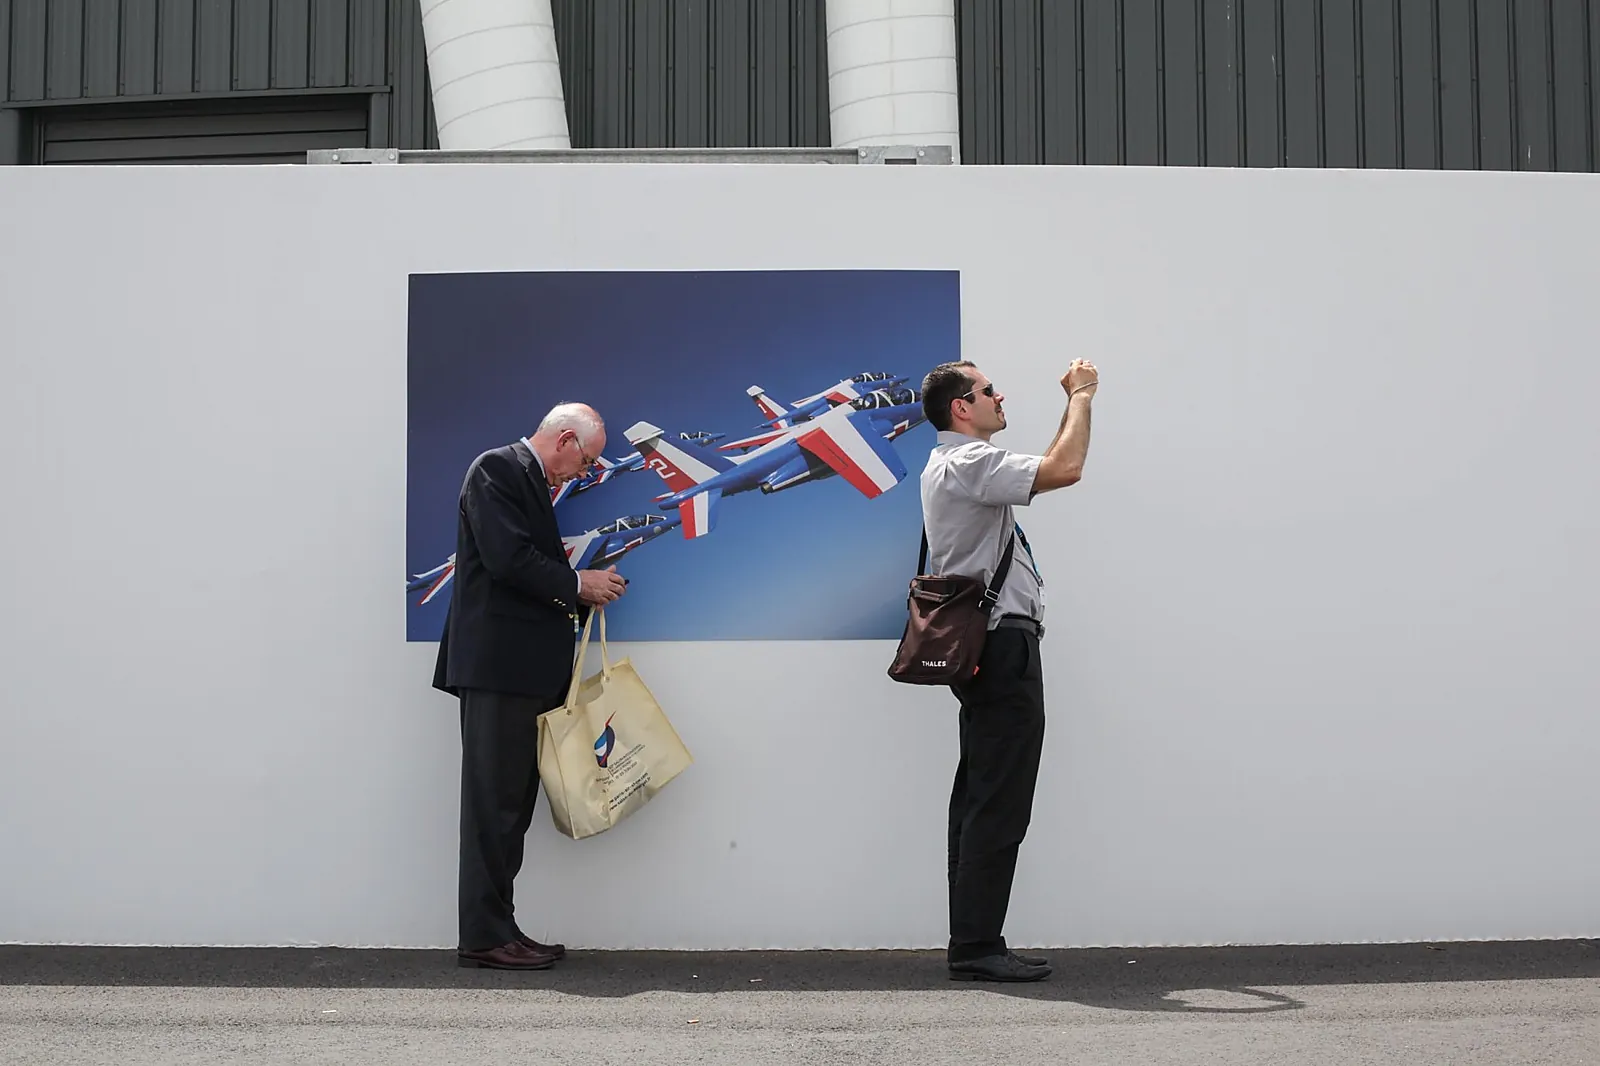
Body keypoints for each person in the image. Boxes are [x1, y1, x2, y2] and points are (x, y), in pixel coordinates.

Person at [917, 358, 1098, 982]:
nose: (1000, 397)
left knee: (981, 791)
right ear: (960, 407)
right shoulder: (967, 463)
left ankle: (972, 938)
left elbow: (1041, 470)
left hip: (986, 650)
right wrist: (1081, 395)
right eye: (988, 390)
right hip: (1002, 648)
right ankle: (976, 945)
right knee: (1000, 796)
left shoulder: (957, 465)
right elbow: (1064, 469)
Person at [431, 402, 630, 970]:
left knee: (511, 806)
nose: (586, 473)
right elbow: (507, 558)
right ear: (565, 439)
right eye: (588, 460)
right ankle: (484, 937)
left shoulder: (526, 480)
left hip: (519, 672)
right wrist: (578, 583)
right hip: (498, 671)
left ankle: (498, 929)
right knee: (493, 805)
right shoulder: (496, 469)